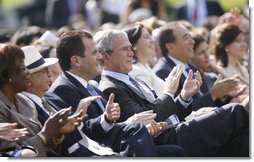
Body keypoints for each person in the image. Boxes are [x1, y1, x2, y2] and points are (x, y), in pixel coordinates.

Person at [94, 28, 249, 157]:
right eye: (124, 49)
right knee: (236, 110)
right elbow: (148, 118)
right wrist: (169, 92)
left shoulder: (129, 78)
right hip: (166, 139)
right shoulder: (110, 87)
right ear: (106, 56)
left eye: (130, 48)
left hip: (178, 129)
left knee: (242, 143)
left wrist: (184, 96)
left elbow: (166, 113)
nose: (131, 53)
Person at [45, 30, 185, 157]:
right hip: (103, 152)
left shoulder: (91, 86)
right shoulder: (63, 89)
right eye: (94, 53)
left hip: (117, 145)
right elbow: (85, 135)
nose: (100, 56)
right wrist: (130, 123)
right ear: (76, 61)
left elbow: (109, 127)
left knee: (175, 151)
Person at [0, 43, 84, 157]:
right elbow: (13, 153)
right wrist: (45, 134)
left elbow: (47, 149)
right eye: (23, 68)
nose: (28, 72)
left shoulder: (25, 101)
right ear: (7, 74)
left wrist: (57, 133)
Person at [152, 22, 245, 110]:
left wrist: (227, 95)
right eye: (185, 38)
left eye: (190, 37)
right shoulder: (163, 71)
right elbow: (179, 112)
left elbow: (212, 105)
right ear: (170, 47)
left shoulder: (191, 67)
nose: (192, 42)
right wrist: (213, 94)